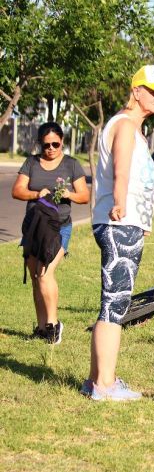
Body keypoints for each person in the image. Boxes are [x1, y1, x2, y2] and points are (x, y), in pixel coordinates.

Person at [84, 64, 154, 401]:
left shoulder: (131, 127)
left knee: (112, 301)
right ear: (135, 90)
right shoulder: (125, 126)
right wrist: (122, 205)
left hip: (123, 222)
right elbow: (121, 170)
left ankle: (96, 379)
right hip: (118, 221)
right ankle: (105, 386)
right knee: (116, 304)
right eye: (152, 91)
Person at [12, 122, 90, 344]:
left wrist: (68, 194)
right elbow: (17, 191)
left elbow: (84, 196)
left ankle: (53, 326)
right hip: (33, 226)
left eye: (55, 144)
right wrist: (37, 194)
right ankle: (40, 327)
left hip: (59, 227)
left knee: (45, 273)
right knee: (36, 278)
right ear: (40, 144)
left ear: (62, 142)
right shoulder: (31, 163)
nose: (51, 149)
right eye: (46, 145)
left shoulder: (71, 165)